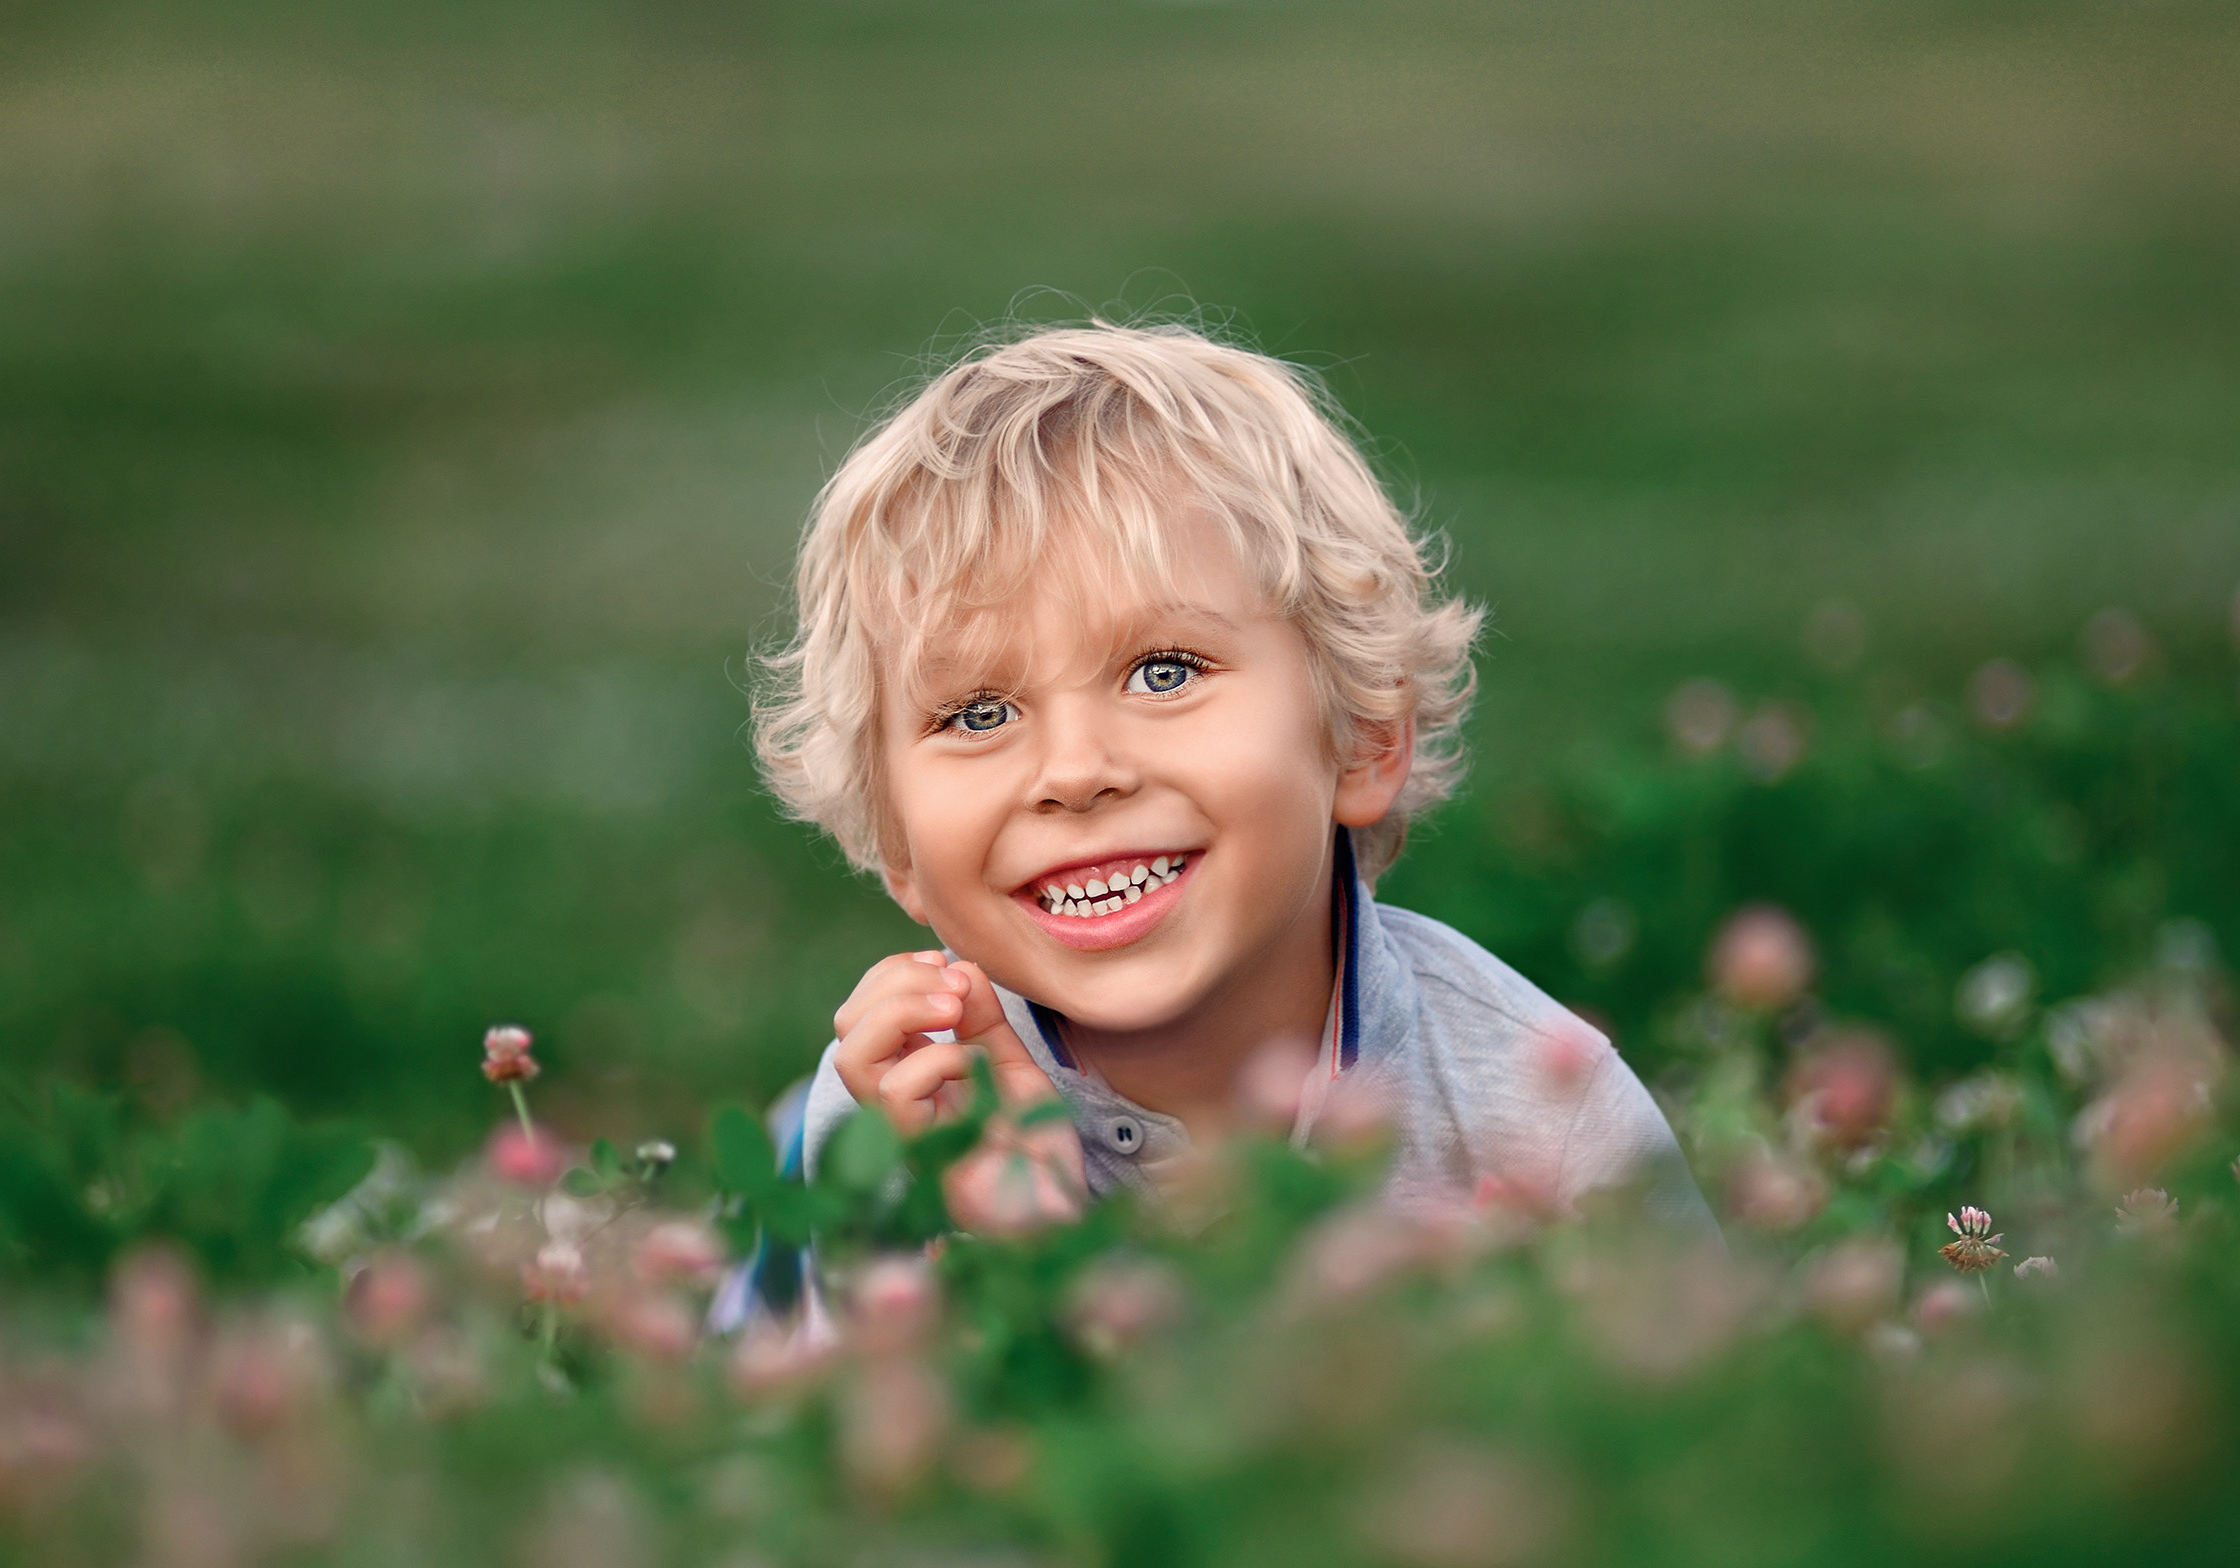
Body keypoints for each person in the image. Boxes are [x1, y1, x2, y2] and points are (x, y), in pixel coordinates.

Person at [711, 322, 1710, 1333]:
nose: (1075, 772)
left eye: (1164, 671)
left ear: (1362, 735)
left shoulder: (1547, 1112)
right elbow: (857, 1473)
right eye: (978, 714)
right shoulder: (901, 1116)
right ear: (897, 846)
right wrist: (1010, 1260)